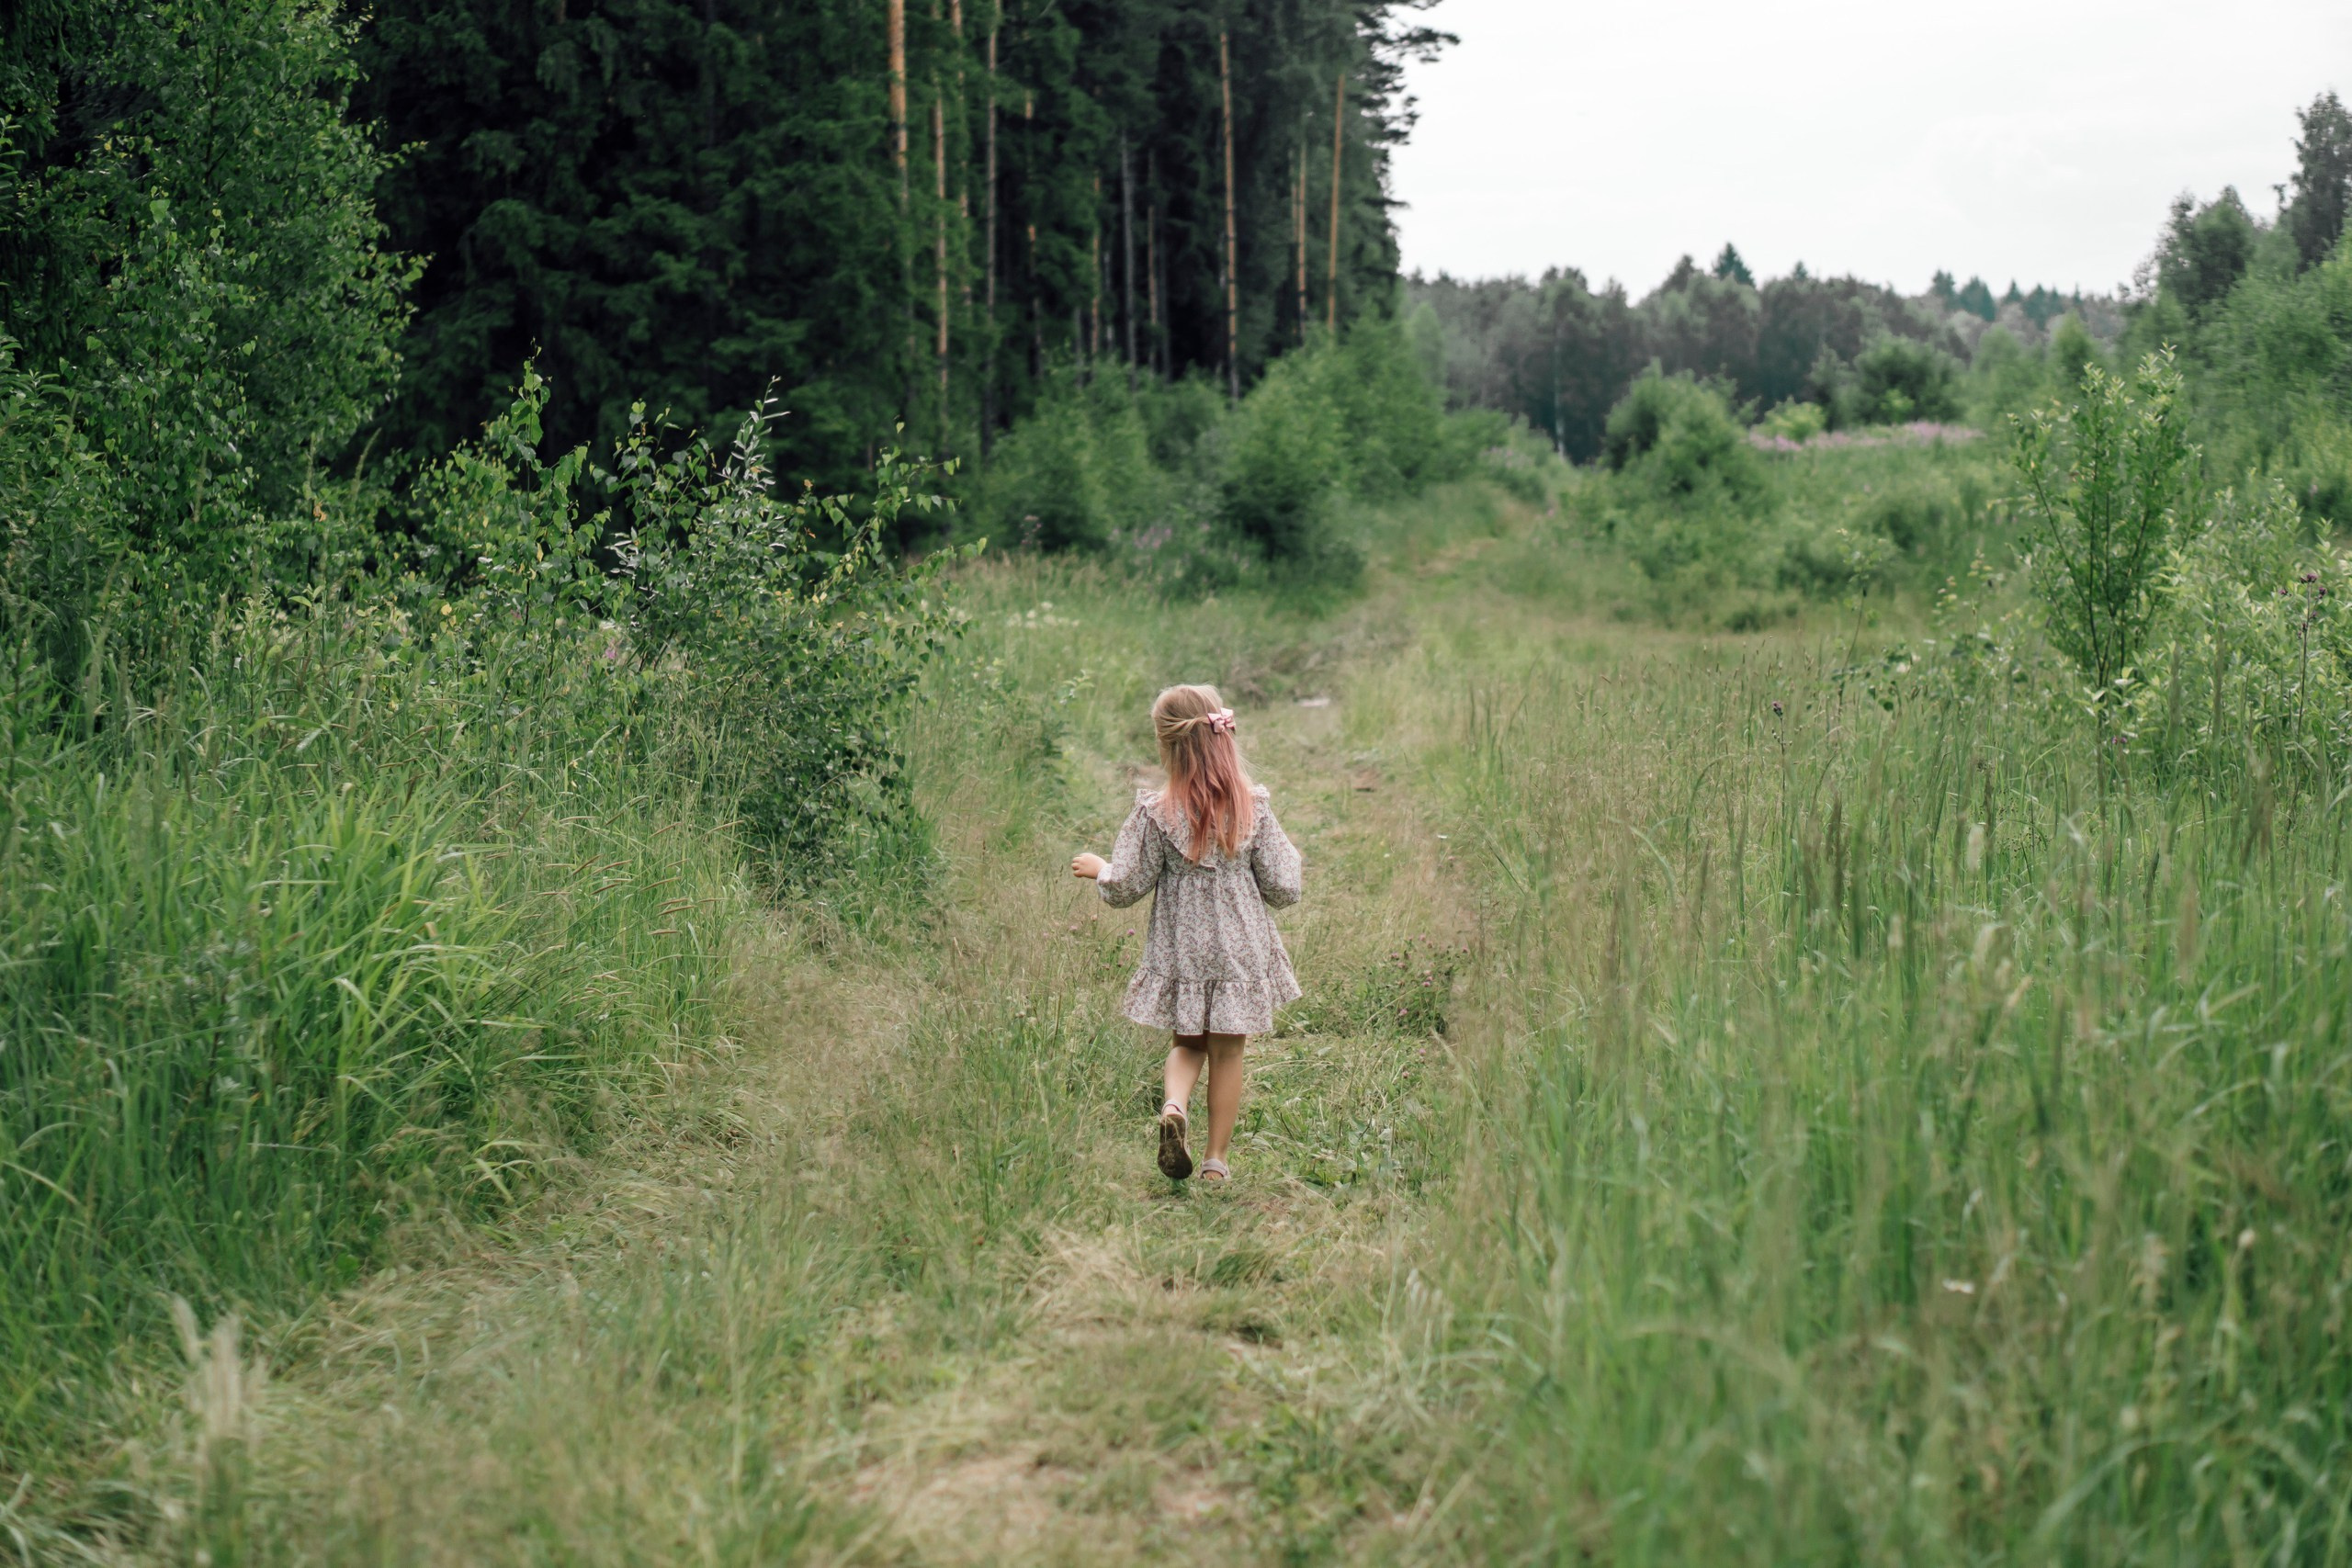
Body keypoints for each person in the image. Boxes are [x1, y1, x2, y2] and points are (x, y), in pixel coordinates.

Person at [1071, 683, 1303, 1182]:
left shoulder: (1156, 812)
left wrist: (1101, 869)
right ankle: (1216, 1163)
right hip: (1239, 948)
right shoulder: (1251, 807)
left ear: (1166, 744)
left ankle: (1175, 1106)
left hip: (1182, 947)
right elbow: (1284, 887)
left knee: (1188, 1042)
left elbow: (1127, 885)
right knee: (1229, 1051)